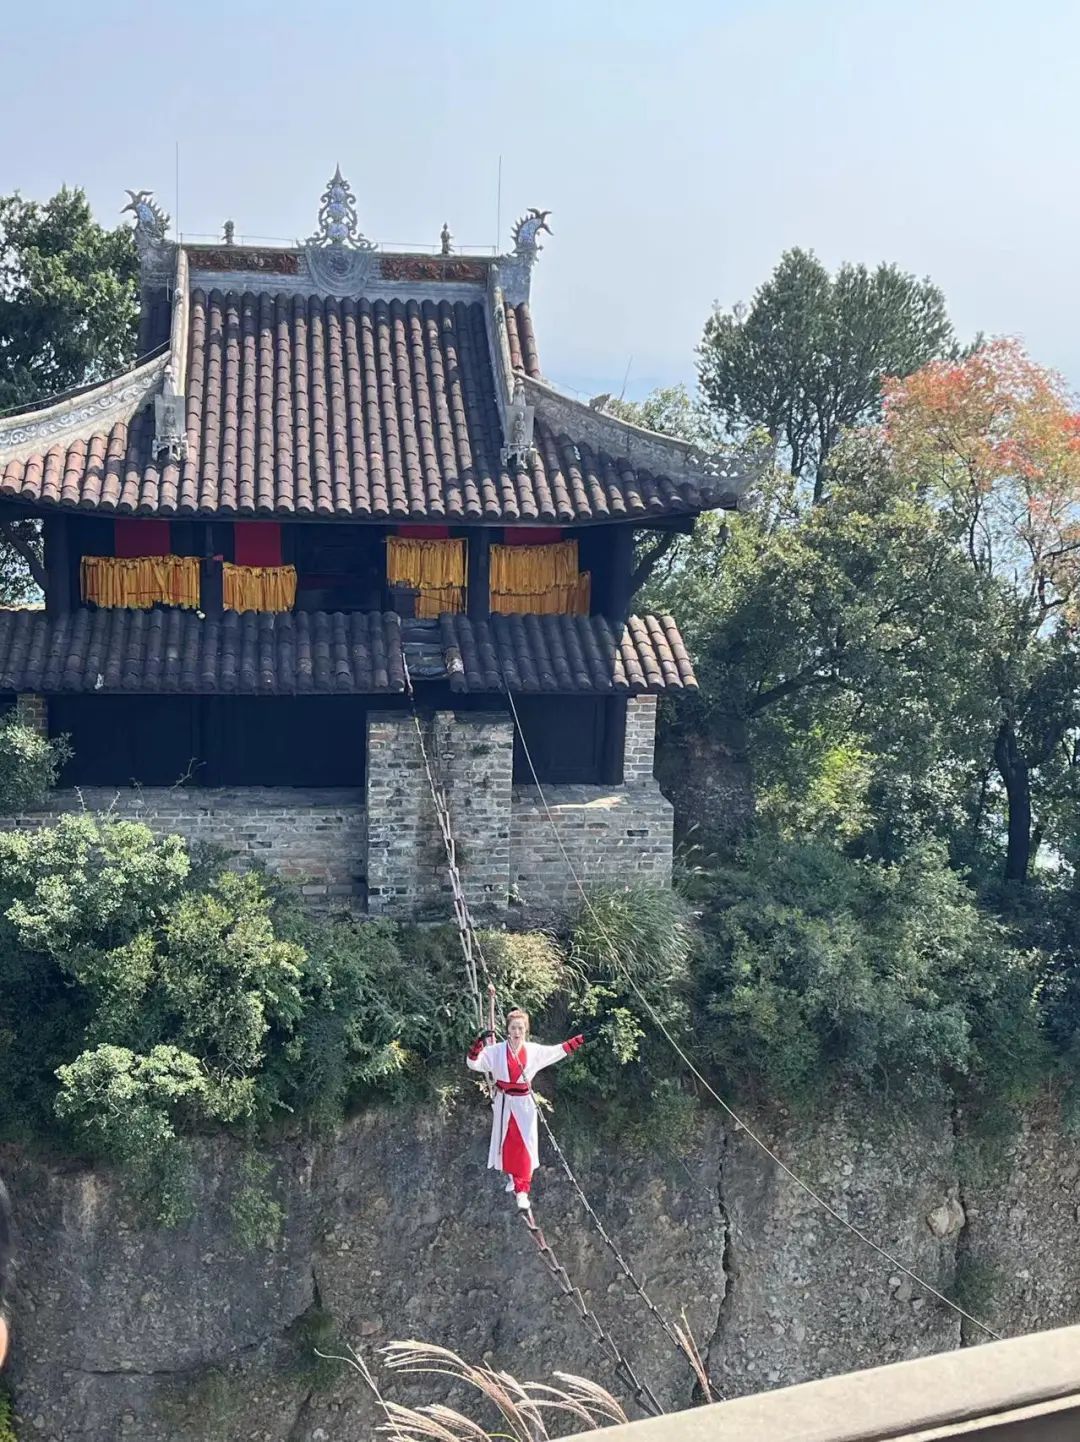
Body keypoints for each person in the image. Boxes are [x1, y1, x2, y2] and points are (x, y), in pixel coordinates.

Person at [466, 1008, 584, 1211]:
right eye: (513, 1028)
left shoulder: (533, 1051)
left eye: (520, 1028)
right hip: (504, 1101)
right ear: (507, 1029)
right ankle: (514, 1179)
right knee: (506, 1143)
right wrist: (478, 1044)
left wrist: (579, 1039)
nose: (517, 1032)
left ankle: (522, 1190)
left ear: (526, 1030)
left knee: (525, 1146)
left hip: (523, 1104)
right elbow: (473, 1063)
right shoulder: (496, 1051)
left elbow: (558, 1051)